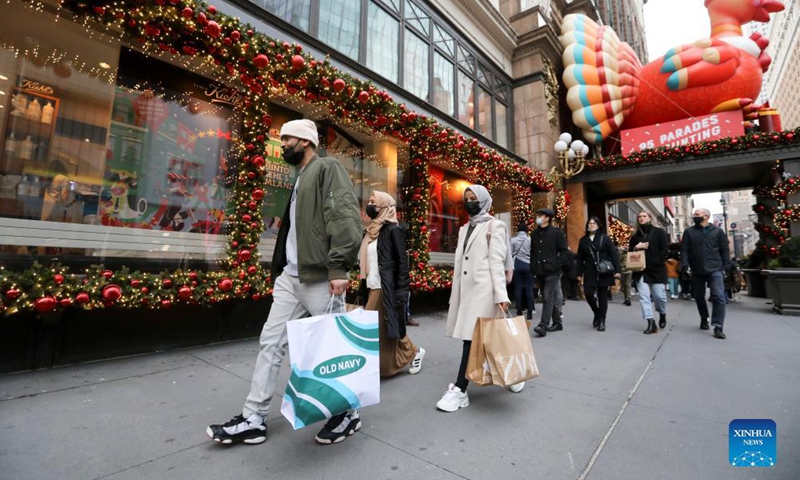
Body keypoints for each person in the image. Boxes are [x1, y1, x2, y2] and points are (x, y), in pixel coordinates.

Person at [206, 119, 364, 445]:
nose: (283, 145)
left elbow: (345, 217)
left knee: (329, 350)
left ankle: (347, 413)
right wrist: (281, 270)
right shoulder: (299, 178)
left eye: (287, 139)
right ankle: (253, 417)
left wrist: (338, 269)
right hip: (291, 278)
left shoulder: (327, 168)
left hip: (320, 278)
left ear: (306, 141)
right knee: (270, 343)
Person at [437, 185, 524, 412]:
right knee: (489, 340)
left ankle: (460, 389)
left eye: (474, 198)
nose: (469, 202)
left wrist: (501, 295)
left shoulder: (495, 226)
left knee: (471, 339)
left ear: (484, 200)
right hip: (467, 291)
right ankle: (514, 375)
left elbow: (496, 262)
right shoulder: (465, 228)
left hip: (485, 291)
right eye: (466, 199)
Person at [360, 191, 425, 377]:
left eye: (374, 202)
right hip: (371, 285)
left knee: (371, 327)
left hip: (384, 287)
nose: (370, 205)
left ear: (385, 206)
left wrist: (401, 291)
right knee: (384, 325)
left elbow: (402, 263)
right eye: (369, 201)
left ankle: (379, 365)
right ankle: (414, 351)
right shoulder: (371, 230)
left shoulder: (393, 230)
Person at [681, 208, 730, 339]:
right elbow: (684, 250)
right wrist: (685, 265)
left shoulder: (718, 232)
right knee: (698, 295)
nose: (694, 216)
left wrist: (726, 266)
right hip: (697, 268)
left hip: (715, 268)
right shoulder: (689, 232)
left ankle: (718, 326)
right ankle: (704, 317)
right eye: (694, 214)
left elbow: (724, 249)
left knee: (718, 296)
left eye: (697, 214)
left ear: (706, 216)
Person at [576, 217, 621, 331]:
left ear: (598, 225)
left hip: (603, 270)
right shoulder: (583, 240)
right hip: (589, 270)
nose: (591, 225)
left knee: (602, 297)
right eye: (590, 223)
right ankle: (596, 312)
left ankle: (602, 321)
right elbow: (580, 258)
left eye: (594, 223)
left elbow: (613, 255)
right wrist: (579, 273)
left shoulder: (604, 238)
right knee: (588, 293)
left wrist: (618, 270)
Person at [530, 208, 569, 337]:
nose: (538, 217)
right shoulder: (534, 234)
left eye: (540, 215)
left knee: (547, 296)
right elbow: (533, 253)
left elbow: (564, 251)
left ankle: (543, 325)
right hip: (539, 270)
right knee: (547, 297)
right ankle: (558, 322)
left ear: (547, 218)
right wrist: (533, 268)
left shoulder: (557, 233)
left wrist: (557, 264)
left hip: (552, 271)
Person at [628, 211, 669, 334]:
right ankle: (650, 322)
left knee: (659, 296)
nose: (641, 218)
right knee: (644, 296)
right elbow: (630, 252)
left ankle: (662, 313)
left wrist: (657, 260)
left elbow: (665, 249)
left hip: (656, 269)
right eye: (639, 216)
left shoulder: (659, 232)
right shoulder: (635, 236)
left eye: (644, 216)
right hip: (640, 270)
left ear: (650, 218)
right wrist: (636, 247)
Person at [510, 221, 536, 319]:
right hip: (528, 264)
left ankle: (519, 311)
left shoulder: (513, 240)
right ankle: (529, 312)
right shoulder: (530, 239)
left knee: (518, 288)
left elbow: (510, 252)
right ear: (526, 230)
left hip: (517, 264)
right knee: (529, 288)